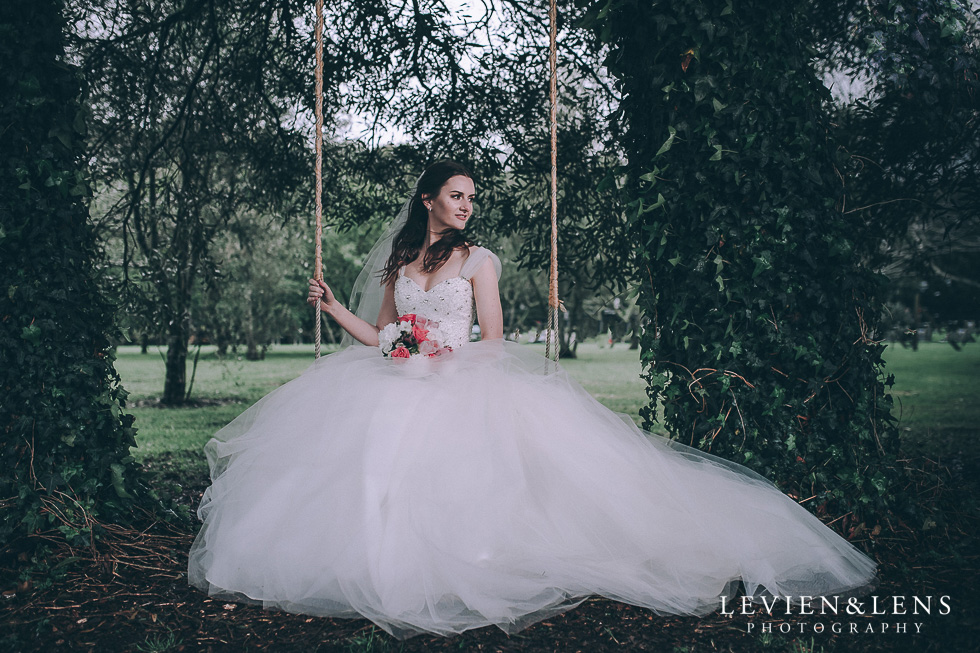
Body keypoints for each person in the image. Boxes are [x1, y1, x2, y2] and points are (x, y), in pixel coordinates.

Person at [188, 160, 876, 639]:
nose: (466, 205)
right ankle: (375, 568)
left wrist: (442, 352)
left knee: (465, 477)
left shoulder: (479, 260)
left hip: (458, 381)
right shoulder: (400, 262)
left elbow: (494, 337)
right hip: (395, 379)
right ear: (428, 198)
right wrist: (338, 309)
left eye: (471, 198)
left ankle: (467, 562)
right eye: (456, 195)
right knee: (367, 470)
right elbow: (383, 336)